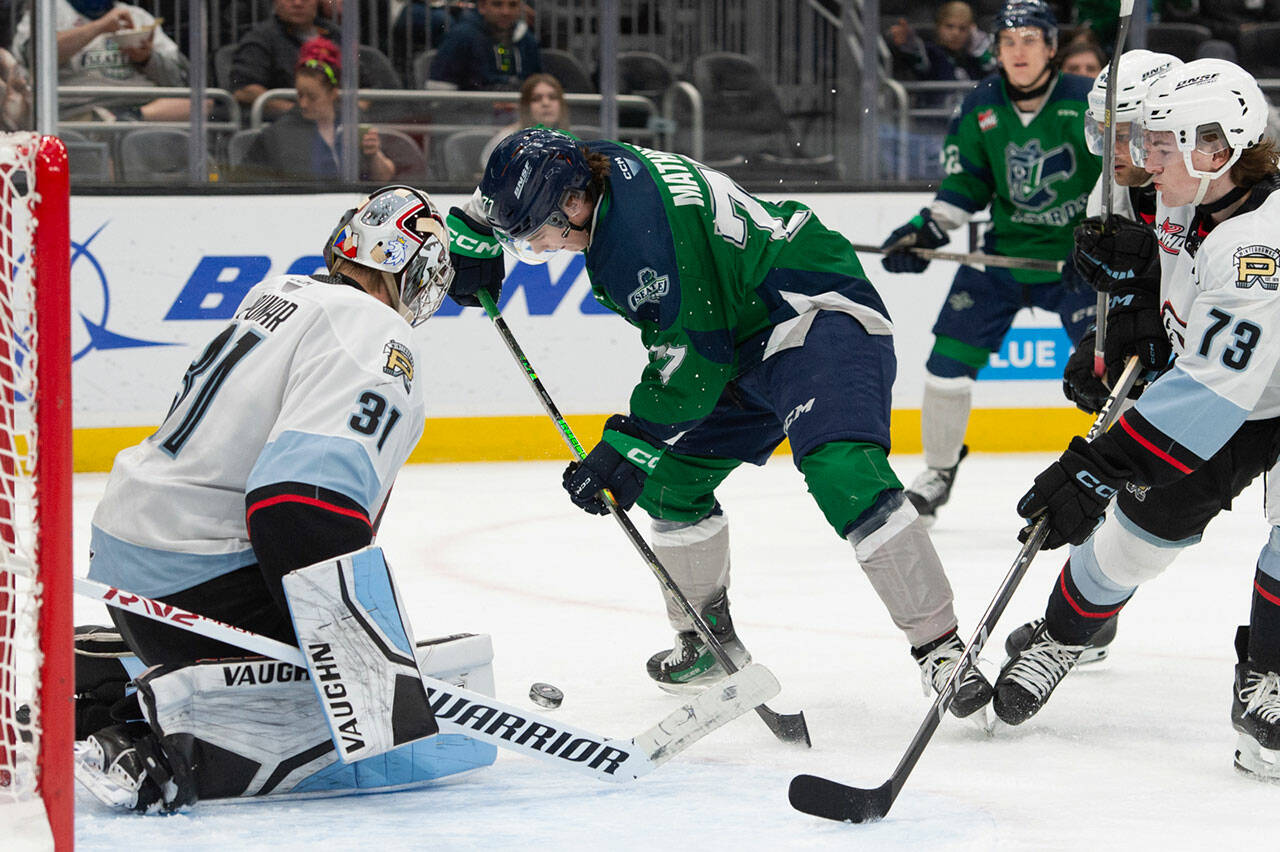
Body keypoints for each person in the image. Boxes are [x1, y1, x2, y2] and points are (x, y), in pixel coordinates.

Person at [445, 127, 995, 717]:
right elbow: (509, 188)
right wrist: (475, 232)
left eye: (537, 232)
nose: (541, 245)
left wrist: (622, 446)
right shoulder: (594, 163)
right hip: (740, 330)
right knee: (669, 483)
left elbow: (693, 372)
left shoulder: (638, 241)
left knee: (842, 469)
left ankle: (943, 651)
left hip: (814, 312)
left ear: (574, 203)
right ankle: (707, 643)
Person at [75, 186, 459, 810]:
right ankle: (151, 741)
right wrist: (361, 670)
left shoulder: (281, 295)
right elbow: (298, 507)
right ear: (415, 274)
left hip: (128, 560)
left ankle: (94, 686)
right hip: (198, 581)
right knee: (360, 712)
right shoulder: (372, 329)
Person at [996, 59, 1280, 782]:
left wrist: (1095, 467)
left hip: (1242, 395)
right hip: (1237, 387)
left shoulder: (1260, 250)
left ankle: (1269, 677)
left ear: (1216, 149)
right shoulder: (1188, 190)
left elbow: (1209, 396)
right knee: (1139, 541)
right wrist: (1133, 299)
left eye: (1158, 144)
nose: (1139, 159)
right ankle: (1065, 638)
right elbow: (1169, 275)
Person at [877, 0, 1101, 526]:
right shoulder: (980, 103)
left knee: (1105, 371)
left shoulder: (1087, 102)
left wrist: (1102, 243)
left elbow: (1114, 182)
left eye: (1030, 40)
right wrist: (929, 228)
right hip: (1002, 254)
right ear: (996, 50)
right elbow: (967, 181)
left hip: (1077, 260)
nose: (1018, 51)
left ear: (1051, 48)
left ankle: (1122, 472)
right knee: (945, 364)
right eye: (1008, 41)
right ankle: (937, 471)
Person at [12, 0, 198, 122]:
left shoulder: (136, 15)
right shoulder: (50, 10)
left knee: (202, 103)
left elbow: (180, 78)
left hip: (143, 109)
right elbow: (34, 56)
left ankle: (129, 119)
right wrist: (99, 27)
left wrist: (147, 59)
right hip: (83, 111)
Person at [239, 37, 395, 182]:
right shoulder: (278, 133)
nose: (304, 104)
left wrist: (374, 155)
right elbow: (246, 179)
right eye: (300, 95)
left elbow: (384, 176)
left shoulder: (354, 122)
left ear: (333, 94)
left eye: (312, 97)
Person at [229, 0, 384, 120]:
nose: (297, 3)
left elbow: (364, 87)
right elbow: (244, 91)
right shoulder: (260, 37)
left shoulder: (335, 34)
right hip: (285, 128)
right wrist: (300, 112)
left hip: (339, 125)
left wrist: (351, 113)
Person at [428, 0, 541, 91]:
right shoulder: (461, 37)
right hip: (472, 115)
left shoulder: (526, 39)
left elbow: (537, 84)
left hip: (520, 113)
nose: (506, 12)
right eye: (497, 4)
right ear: (482, 6)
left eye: (513, 5)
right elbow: (440, 90)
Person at [887, 2, 997, 92]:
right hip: (935, 116)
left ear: (971, 31)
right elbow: (919, 60)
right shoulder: (932, 53)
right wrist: (908, 43)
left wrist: (980, 47)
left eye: (962, 28)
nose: (955, 33)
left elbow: (993, 70)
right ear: (938, 27)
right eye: (949, 26)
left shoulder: (975, 59)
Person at [479, 72, 570, 169]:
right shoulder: (507, 142)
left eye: (552, 97)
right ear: (525, 106)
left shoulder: (570, 140)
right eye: (536, 99)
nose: (546, 103)